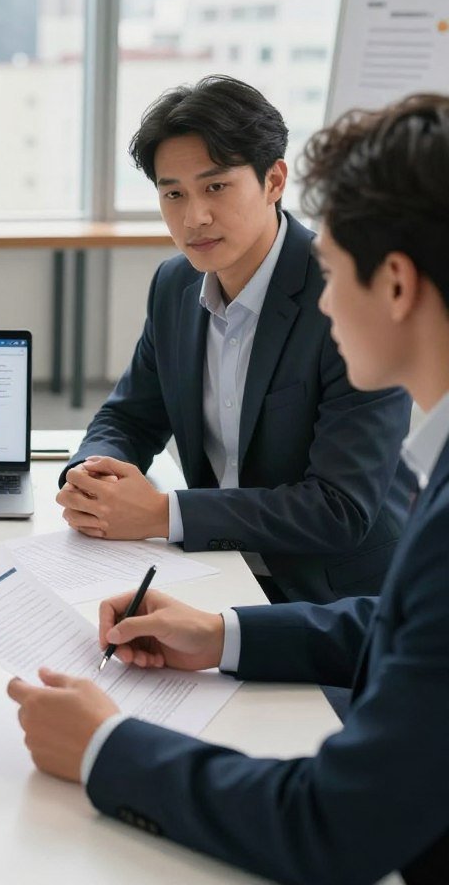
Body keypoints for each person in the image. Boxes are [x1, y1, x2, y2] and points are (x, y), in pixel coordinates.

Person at [10, 94, 449, 885]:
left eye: (335, 269)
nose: (322, 294)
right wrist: (221, 634)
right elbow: (396, 625)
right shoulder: (176, 287)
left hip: (322, 583)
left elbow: (333, 827)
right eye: (174, 193)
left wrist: (106, 747)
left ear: (392, 283)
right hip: (241, 591)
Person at [58, 75, 414, 603]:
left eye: (215, 187)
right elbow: (129, 416)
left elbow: (340, 509)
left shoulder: (348, 297)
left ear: (274, 181)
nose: (193, 217)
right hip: (214, 571)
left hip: (336, 596)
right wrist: (91, 477)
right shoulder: (175, 284)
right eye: (172, 193)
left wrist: (163, 512)